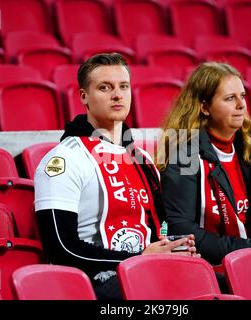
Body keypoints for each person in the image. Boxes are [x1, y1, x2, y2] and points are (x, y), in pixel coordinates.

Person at [34, 53, 197, 300]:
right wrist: (138, 259)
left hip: (147, 271)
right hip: (94, 283)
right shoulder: (64, 160)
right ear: (84, 97)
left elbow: (160, 225)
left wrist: (173, 246)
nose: (117, 95)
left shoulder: (142, 159)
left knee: (216, 283)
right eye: (105, 87)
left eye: (123, 86)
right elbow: (60, 247)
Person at [157, 62, 251, 291]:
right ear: (204, 107)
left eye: (242, 96)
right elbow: (180, 228)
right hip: (207, 268)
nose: (241, 104)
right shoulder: (184, 155)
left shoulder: (250, 151)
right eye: (230, 98)